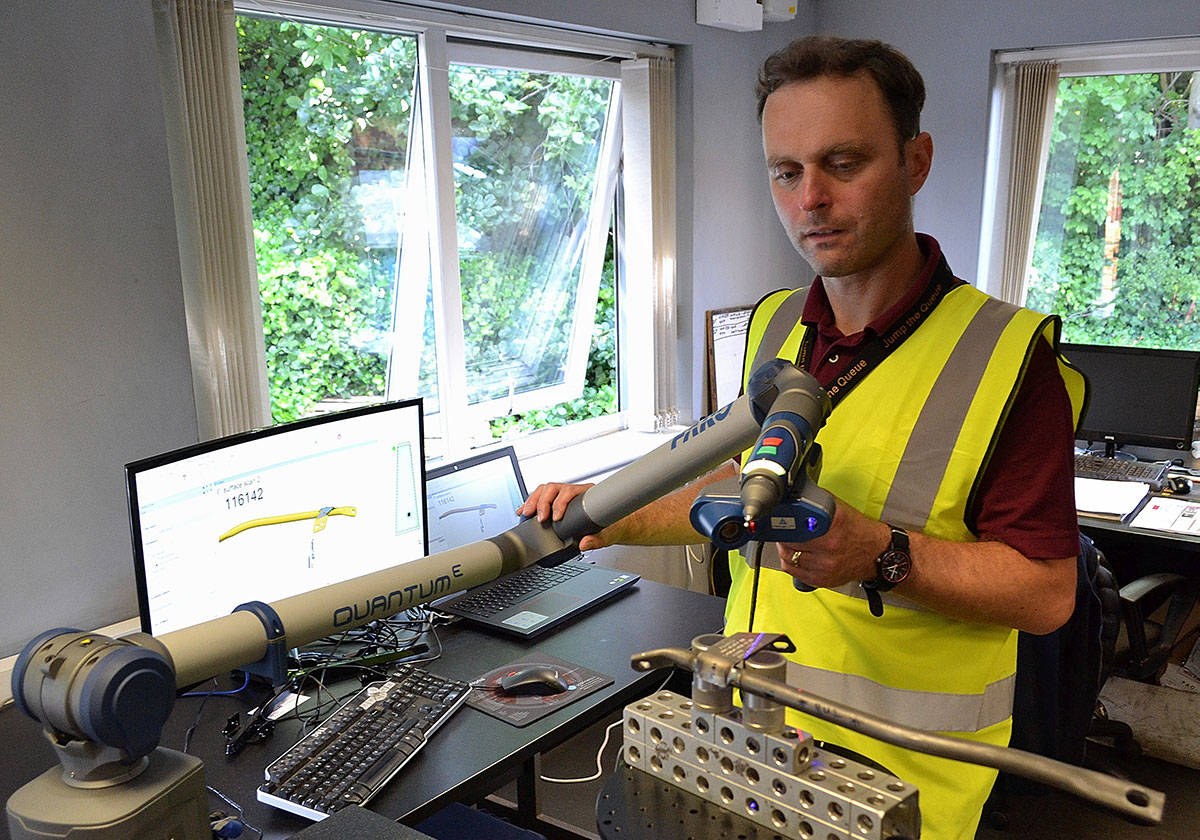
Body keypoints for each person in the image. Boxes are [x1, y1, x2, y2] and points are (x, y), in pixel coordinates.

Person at [519, 35, 1086, 840]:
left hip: (902, 786)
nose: (809, 199)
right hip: (755, 746)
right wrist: (603, 512)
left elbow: (1046, 594)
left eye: (843, 163)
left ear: (916, 162)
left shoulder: (1007, 359)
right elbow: (745, 502)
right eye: (786, 172)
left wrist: (882, 555)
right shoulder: (776, 325)